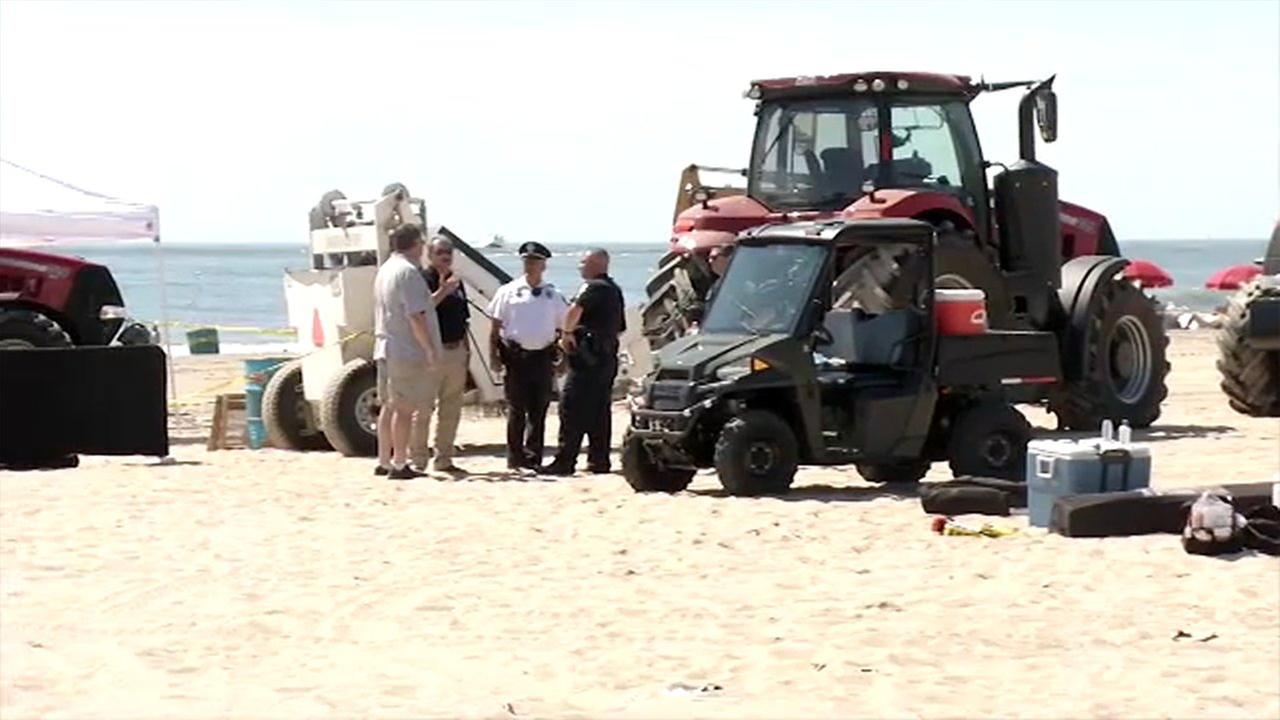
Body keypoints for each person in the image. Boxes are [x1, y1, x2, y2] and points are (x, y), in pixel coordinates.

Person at [542, 248, 625, 476]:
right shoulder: (614, 290)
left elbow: (574, 311)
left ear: (597, 264)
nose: (579, 266)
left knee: (572, 407)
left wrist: (566, 334)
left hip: (588, 359)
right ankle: (599, 460)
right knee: (599, 410)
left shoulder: (593, 288)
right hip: (606, 357)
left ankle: (565, 460)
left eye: (583, 262)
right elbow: (619, 328)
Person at [488, 241, 567, 470]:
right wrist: (493, 356)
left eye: (534, 261)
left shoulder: (553, 295)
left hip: (542, 357)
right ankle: (515, 458)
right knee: (516, 410)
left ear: (544, 265)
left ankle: (533, 457)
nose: (530, 265)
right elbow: (494, 327)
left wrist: (564, 358)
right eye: (526, 260)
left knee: (538, 410)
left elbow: (565, 328)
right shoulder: (508, 292)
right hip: (516, 357)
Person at [373, 224, 442, 480]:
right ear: (416, 243)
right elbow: (415, 315)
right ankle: (400, 463)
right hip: (405, 350)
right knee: (404, 408)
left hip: (386, 346)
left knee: (389, 406)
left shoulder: (386, 269)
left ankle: (384, 460)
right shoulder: (408, 272)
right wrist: (429, 349)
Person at [410, 235, 467, 473]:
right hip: (432, 352)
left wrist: (467, 350)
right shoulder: (422, 279)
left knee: (451, 408)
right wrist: (442, 291)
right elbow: (420, 311)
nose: (445, 256)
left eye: (449, 253)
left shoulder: (457, 282)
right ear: (430, 255)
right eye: (441, 252)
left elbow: (464, 319)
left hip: (456, 351)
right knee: (423, 408)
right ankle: (418, 459)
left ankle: (444, 458)